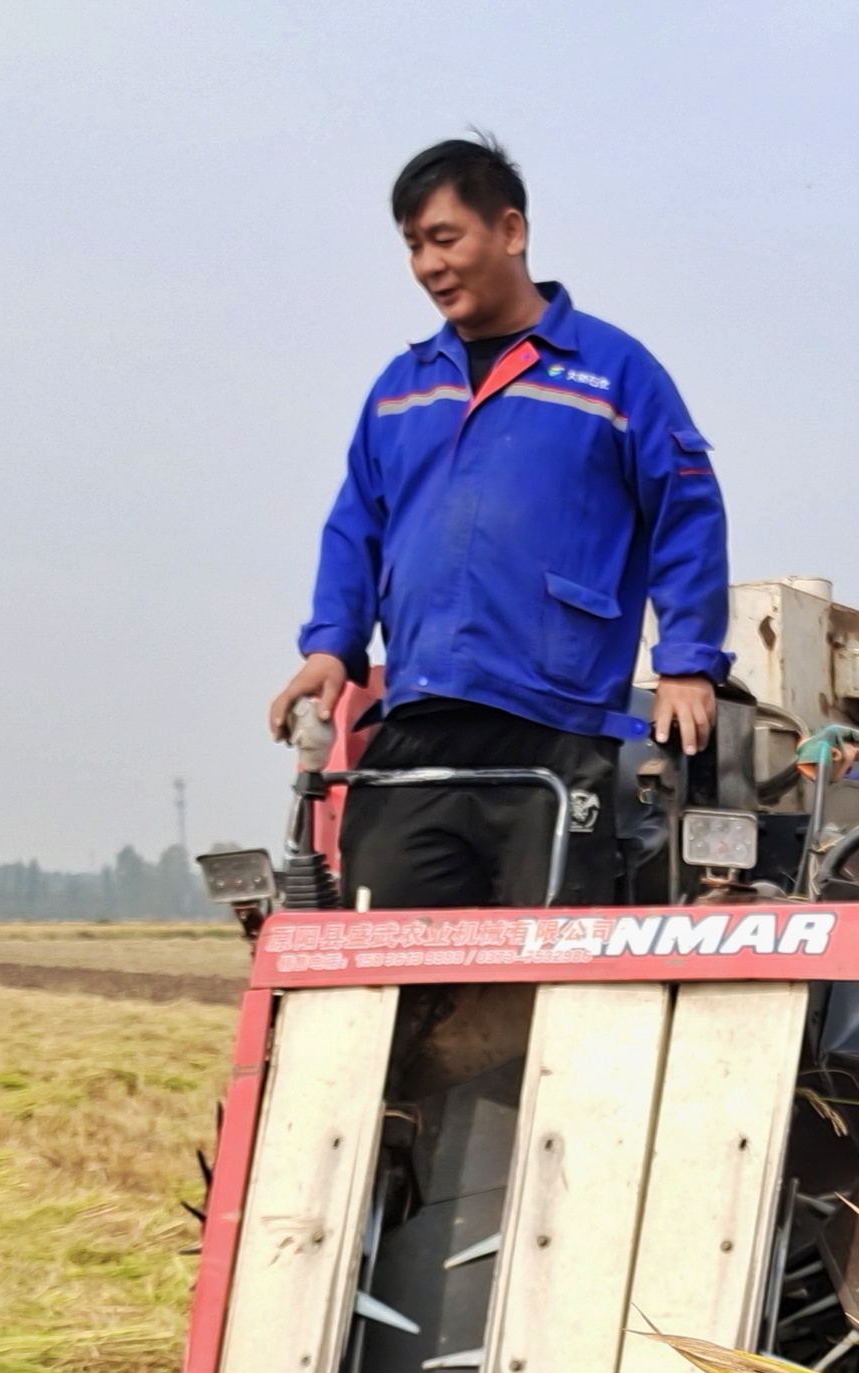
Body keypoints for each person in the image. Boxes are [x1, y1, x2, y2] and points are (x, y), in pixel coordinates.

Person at [270, 134, 731, 907]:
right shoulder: (401, 388)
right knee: (383, 961)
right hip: (417, 720)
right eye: (414, 246)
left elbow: (686, 513)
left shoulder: (614, 372)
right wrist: (330, 647)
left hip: (553, 721)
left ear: (510, 231)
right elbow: (357, 526)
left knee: (549, 971)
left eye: (445, 238)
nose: (428, 265)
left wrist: (686, 659)